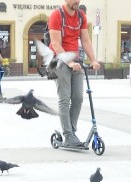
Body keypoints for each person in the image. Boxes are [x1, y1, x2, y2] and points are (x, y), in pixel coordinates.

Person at [47, 1, 100, 147]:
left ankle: (72, 132)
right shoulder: (57, 15)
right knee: (64, 99)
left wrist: (93, 59)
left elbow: (85, 40)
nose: (77, 1)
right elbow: (56, 44)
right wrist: (69, 63)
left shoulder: (81, 15)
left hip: (76, 61)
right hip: (60, 60)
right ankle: (68, 134)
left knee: (77, 98)